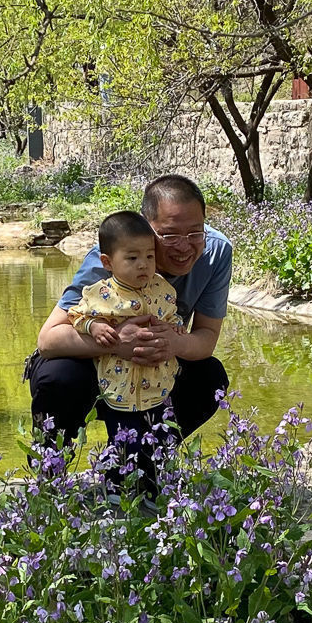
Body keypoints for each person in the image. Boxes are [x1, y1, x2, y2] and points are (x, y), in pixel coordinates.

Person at [28, 173, 232, 468]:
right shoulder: (113, 257)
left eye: (195, 233)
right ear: (147, 229)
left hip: (154, 366)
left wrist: (174, 342)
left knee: (209, 377)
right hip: (94, 361)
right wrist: (116, 343)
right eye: (170, 235)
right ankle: (49, 469)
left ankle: (141, 463)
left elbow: (206, 337)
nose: (185, 247)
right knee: (58, 377)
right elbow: (48, 340)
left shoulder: (216, 252)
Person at [64, 210, 186, 490]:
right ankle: (118, 486)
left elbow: (171, 316)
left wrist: (176, 330)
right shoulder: (101, 293)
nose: (143, 265)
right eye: (132, 258)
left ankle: (157, 485)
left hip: (157, 381)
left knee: (160, 432)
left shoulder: (161, 289)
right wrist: (94, 327)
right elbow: (76, 316)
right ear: (107, 262)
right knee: (124, 435)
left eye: (150, 257)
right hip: (119, 383)